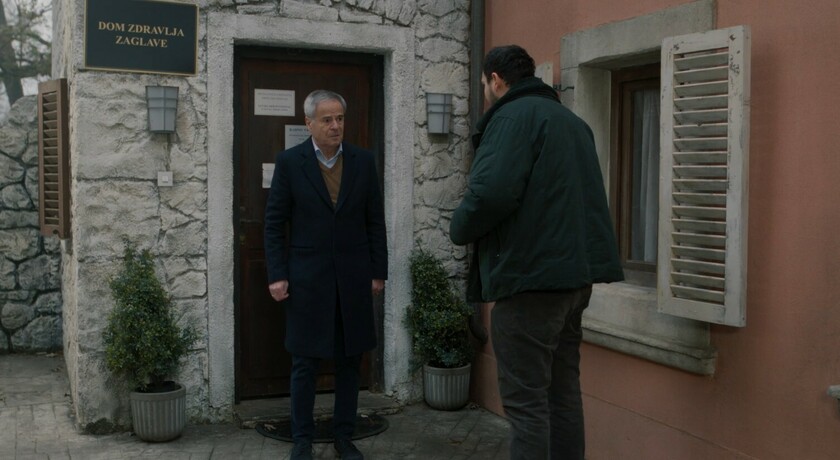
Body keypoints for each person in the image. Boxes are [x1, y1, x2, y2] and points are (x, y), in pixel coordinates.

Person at [449, 45, 623, 460]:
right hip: (573, 282)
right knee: (563, 396)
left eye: (485, 85)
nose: (486, 93)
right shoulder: (574, 123)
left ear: (496, 80)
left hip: (529, 283)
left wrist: (459, 228)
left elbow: (490, 194)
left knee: (526, 406)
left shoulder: (511, 117)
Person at [264, 89, 387, 460]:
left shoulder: (363, 161)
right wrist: (277, 274)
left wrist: (378, 271)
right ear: (309, 123)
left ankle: (344, 436)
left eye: (340, 119)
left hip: (353, 278)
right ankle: (302, 439)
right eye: (327, 119)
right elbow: (274, 223)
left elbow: (375, 221)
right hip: (307, 280)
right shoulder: (290, 162)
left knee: (350, 361)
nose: (336, 126)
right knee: (305, 362)